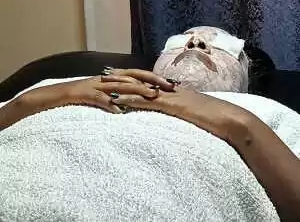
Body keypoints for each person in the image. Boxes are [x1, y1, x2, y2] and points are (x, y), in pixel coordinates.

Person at [0, 27, 299, 221]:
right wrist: (27, 102)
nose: (195, 42)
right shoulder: (55, 84)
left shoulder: (263, 112)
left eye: (223, 46)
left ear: (244, 81)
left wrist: (240, 125)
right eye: (180, 40)